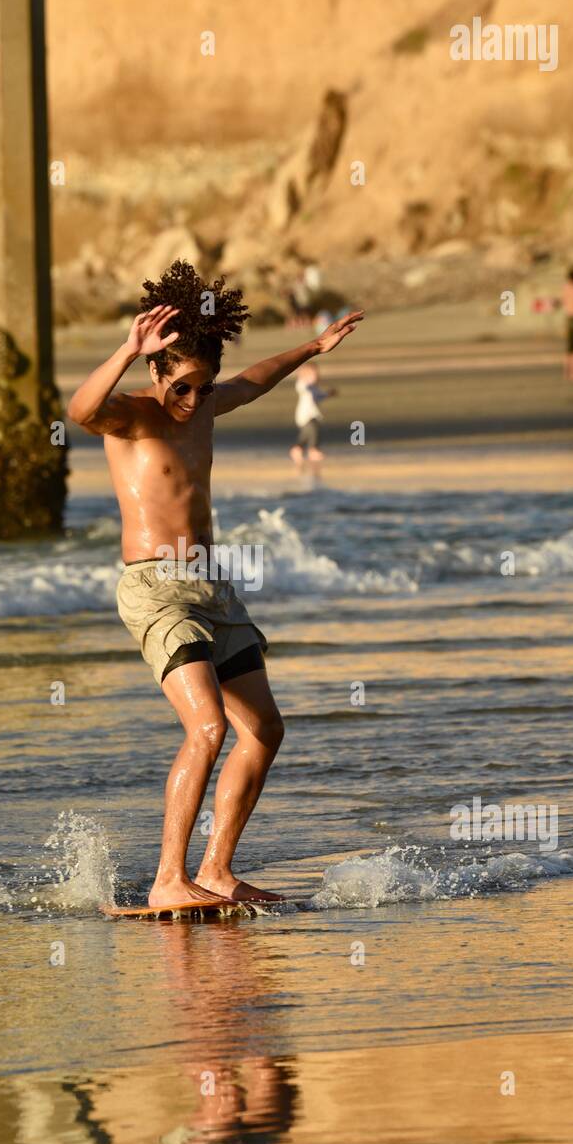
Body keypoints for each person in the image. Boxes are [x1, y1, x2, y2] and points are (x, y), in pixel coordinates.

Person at [67, 260, 364, 908]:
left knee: (263, 729)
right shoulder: (130, 415)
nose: (193, 400)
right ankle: (167, 880)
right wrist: (125, 348)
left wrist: (312, 348)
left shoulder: (203, 405)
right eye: (182, 387)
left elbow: (253, 383)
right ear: (156, 369)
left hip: (211, 587)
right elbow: (79, 409)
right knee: (206, 729)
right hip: (155, 587)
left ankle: (217, 871)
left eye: (202, 388)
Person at [290, 362, 335, 467]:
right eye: (312, 375)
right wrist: (305, 379)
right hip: (305, 415)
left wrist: (329, 394)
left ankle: (297, 448)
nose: (316, 377)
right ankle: (313, 449)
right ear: (304, 376)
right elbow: (305, 388)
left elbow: (320, 396)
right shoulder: (302, 385)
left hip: (313, 415)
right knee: (313, 430)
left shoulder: (314, 388)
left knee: (307, 434)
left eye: (316, 375)